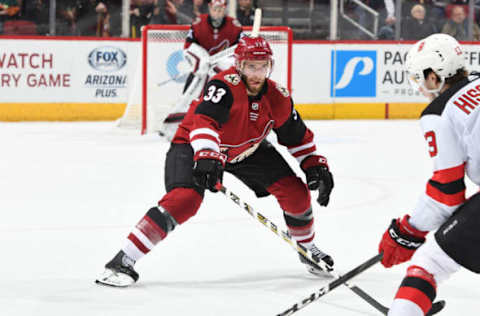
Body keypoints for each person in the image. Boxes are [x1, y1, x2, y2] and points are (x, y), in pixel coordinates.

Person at [96, 35, 335, 287]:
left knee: (296, 193)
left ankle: (307, 250)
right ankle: (123, 260)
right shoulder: (223, 86)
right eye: (251, 66)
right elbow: (204, 123)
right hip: (194, 145)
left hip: (246, 150)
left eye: (262, 66)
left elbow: (297, 138)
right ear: (239, 65)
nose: (256, 73)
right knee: (185, 199)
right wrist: (208, 155)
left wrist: (315, 165)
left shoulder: (278, 96)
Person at [378, 33, 480, 316]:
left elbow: (447, 194)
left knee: (430, 263)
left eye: (419, 78)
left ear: (434, 75)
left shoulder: (439, 112)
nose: (420, 87)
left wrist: (407, 230)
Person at [159, 0, 244, 140]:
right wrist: (200, 61)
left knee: (229, 99)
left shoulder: (234, 26)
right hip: (200, 73)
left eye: (220, 9)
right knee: (188, 98)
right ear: (210, 8)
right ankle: (178, 127)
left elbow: (240, 50)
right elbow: (188, 47)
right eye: (215, 9)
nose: (217, 12)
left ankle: (230, 128)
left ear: (225, 9)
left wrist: (221, 64)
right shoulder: (199, 23)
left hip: (221, 74)